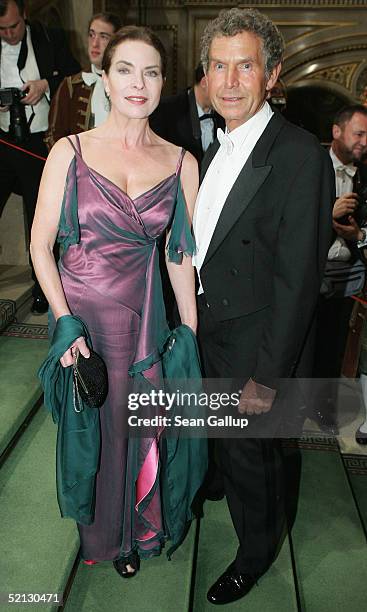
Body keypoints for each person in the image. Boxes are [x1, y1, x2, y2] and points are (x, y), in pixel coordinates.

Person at [31, 26, 201, 577]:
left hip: (146, 319)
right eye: (126, 69)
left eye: (151, 72)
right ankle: (102, 535)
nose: (139, 83)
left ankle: (134, 535)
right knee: (94, 434)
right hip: (84, 321)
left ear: (161, 84)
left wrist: (190, 337)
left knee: (140, 430)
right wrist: (63, 322)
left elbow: (179, 257)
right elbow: (39, 245)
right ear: (105, 77)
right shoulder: (70, 151)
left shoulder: (181, 164)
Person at [193, 8, 334, 605]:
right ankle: (220, 478)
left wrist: (267, 378)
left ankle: (254, 554)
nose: (229, 81)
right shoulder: (209, 144)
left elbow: (297, 281)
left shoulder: (301, 155)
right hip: (207, 327)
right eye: (218, 67)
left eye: (244, 67)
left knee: (256, 457)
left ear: (271, 73)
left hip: (255, 341)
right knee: (228, 448)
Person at [0, 0, 80, 313]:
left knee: (40, 218)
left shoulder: (50, 38)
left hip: (38, 143)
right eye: (2, 30)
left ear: (25, 17)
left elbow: (75, 75)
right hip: (3, 140)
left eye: (14, 26)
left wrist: (45, 84)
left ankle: (42, 289)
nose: (8, 34)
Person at [313, 105, 367, 434]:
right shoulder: (312, 165)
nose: (364, 141)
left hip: (350, 274)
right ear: (337, 132)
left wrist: (358, 233)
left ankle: (324, 410)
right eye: (359, 133)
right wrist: (327, 212)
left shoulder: (364, 173)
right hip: (313, 269)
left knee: (335, 345)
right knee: (308, 340)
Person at [45, 12, 121, 150]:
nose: (95, 43)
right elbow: (53, 136)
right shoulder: (70, 86)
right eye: (91, 34)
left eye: (103, 36)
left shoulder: (127, 86)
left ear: (117, 43)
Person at [150, 62, 225, 167]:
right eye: (222, 84)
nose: (227, 91)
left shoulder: (227, 115)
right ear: (205, 82)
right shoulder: (165, 111)